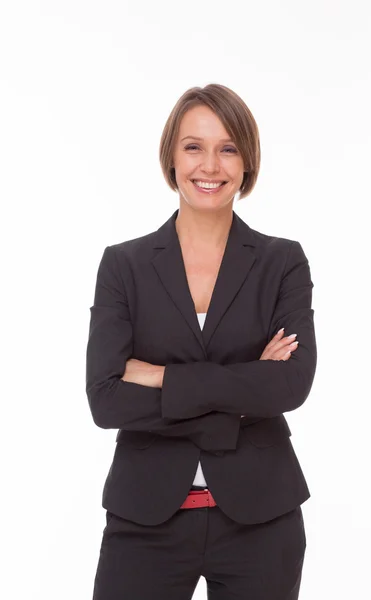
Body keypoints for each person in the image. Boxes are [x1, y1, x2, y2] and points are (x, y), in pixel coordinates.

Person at [86, 83, 317, 600]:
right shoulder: (123, 266)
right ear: (171, 155)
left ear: (246, 161)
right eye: (194, 146)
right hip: (143, 521)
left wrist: (160, 376)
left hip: (263, 521)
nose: (210, 165)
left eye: (228, 147)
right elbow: (105, 398)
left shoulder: (283, 262)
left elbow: (290, 385)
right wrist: (243, 389)